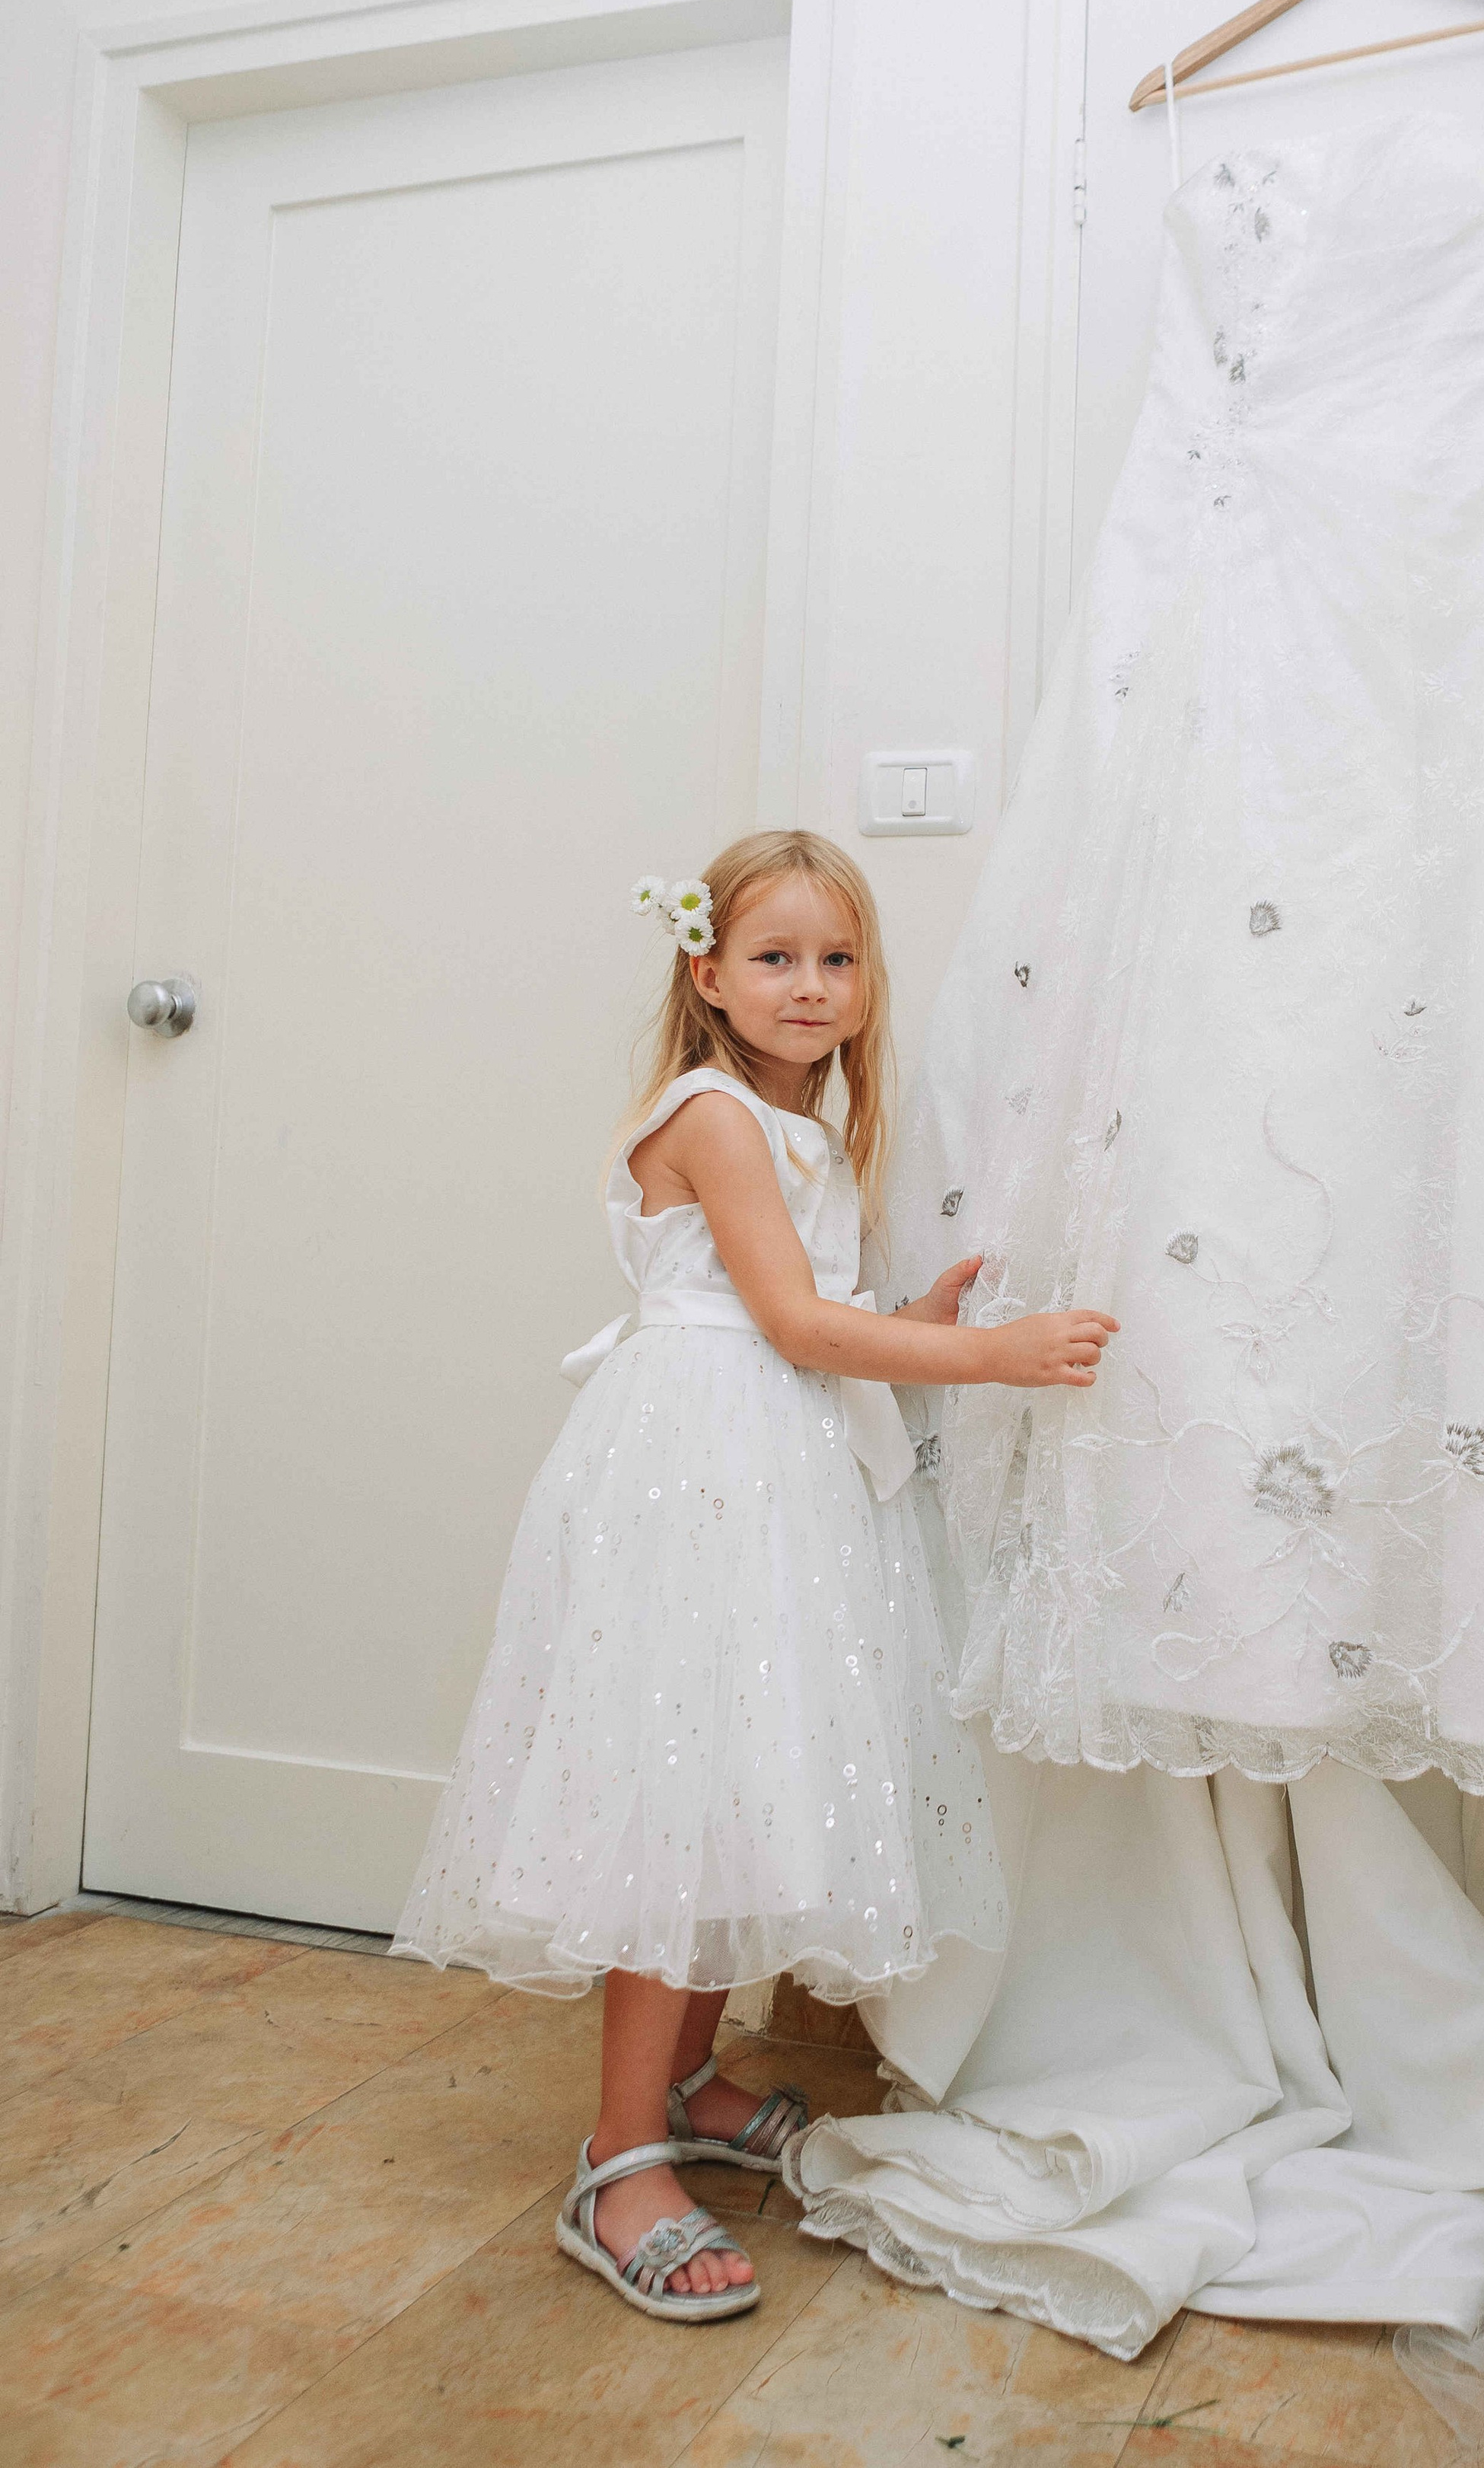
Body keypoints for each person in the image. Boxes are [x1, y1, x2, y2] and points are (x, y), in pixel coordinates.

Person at [393, 828, 1116, 2324]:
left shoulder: (802, 1126)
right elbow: (791, 1328)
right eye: (774, 956)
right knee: (678, 1789)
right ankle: (616, 2163)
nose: (809, 985)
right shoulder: (715, 1116)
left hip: (773, 1474)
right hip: (698, 1476)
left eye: (836, 959)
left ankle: (687, 2081)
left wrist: (910, 1326)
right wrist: (984, 1358)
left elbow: (808, 1318)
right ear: (707, 974)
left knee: (736, 1776)